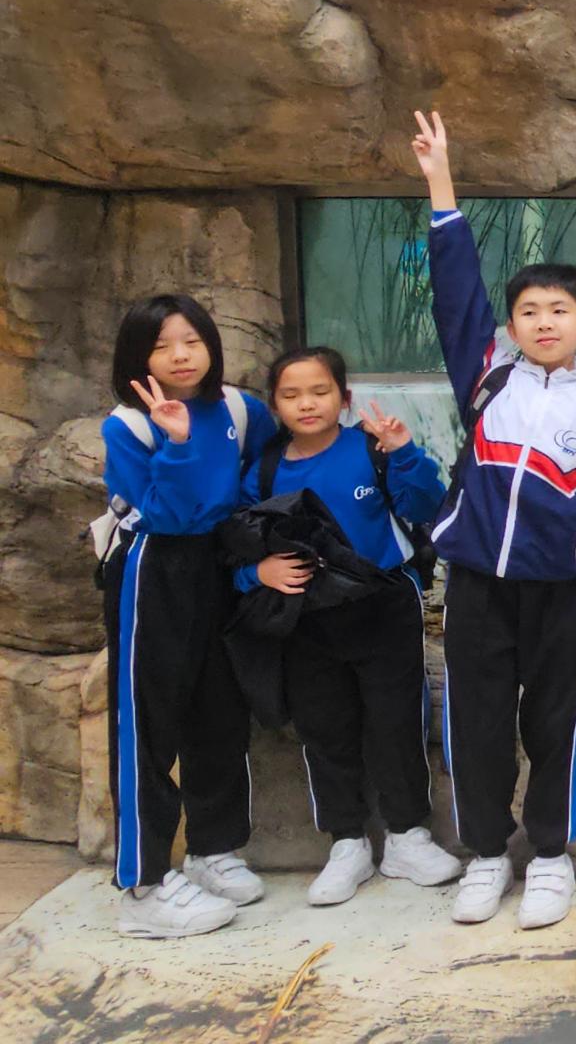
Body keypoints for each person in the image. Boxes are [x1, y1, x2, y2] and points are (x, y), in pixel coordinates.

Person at [413, 111, 576, 927]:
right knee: (474, 724)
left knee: (554, 725)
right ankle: (485, 854)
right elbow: (455, 296)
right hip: (477, 584)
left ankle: (549, 855)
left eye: (560, 310)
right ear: (511, 329)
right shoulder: (488, 383)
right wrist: (442, 187)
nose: (544, 321)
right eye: (530, 311)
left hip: (561, 594)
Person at [238, 348, 465, 906]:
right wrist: (256, 574)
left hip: (382, 603)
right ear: (275, 406)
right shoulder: (264, 471)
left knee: (396, 721)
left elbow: (427, 505)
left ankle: (407, 836)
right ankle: (346, 843)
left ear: (344, 398)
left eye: (320, 391)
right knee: (324, 728)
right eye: (291, 395)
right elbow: (236, 540)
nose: (306, 404)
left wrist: (404, 452)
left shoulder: (370, 449)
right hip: (306, 614)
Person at [98, 294, 276, 937]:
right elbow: (164, 515)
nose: (180, 356)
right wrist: (175, 441)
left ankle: (212, 849)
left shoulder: (238, 408)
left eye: (192, 341)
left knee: (219, 708)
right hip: (154, 567)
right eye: (161, 346)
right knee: (147, 722)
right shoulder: (128, 425)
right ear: (138, 357)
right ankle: (142, 885)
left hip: (218, 562)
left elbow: (265, 472)